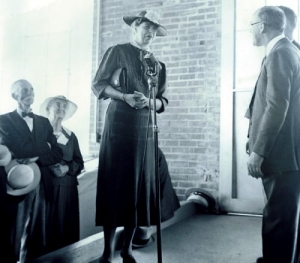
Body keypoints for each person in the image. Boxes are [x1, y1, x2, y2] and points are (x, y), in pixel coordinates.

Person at [92, 10, 168, 263]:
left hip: (145, 129)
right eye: (146, 27)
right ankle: (107, 252)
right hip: (119, 127)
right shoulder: (117, 51)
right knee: (115, 185)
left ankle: (127, 250)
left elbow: (162, 101)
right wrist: (124, 96)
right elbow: (98, 85)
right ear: (135, 27)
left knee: (139, 188)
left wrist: (149, 101)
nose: (150, 34)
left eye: (154, 30)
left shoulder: (157, 64)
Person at [245, 6, 300, 263]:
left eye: (251, 25)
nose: (250, 30)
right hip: (287, 152)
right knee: (284, 216)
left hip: (280, 154)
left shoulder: (280, 53)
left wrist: (259, 151)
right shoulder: (286, 50)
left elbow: (277, 107)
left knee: (278, 219)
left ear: (263, 26)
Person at [0, 79, 63, 262]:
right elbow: (20, 149)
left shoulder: (44, 122)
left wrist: (38, 157)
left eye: (32, 89)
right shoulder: (4, 121)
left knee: (37, 235)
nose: (30, 93)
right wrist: (45, 146)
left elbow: (57, 152)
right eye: (25, 90)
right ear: (14, 96)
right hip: (17, 182)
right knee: (13, 232)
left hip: (42, 183)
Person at [39, 95, 84, 252]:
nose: (61, 109)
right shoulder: (39, 133)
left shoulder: (71, 136)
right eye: (58, 105)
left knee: (65, 231)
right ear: (47, 109)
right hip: (45, 189)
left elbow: (80, 163)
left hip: (67, 189)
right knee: (43, 231)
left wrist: (67, 168)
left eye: (64, 107)